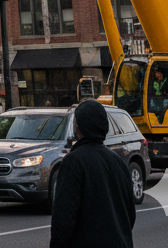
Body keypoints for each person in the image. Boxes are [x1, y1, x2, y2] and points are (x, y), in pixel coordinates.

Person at [50, 99, 135, 248]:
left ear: (78, 127)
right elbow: (130, 215)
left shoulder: (73, 162)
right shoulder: (119, 163)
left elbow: (63, 220)